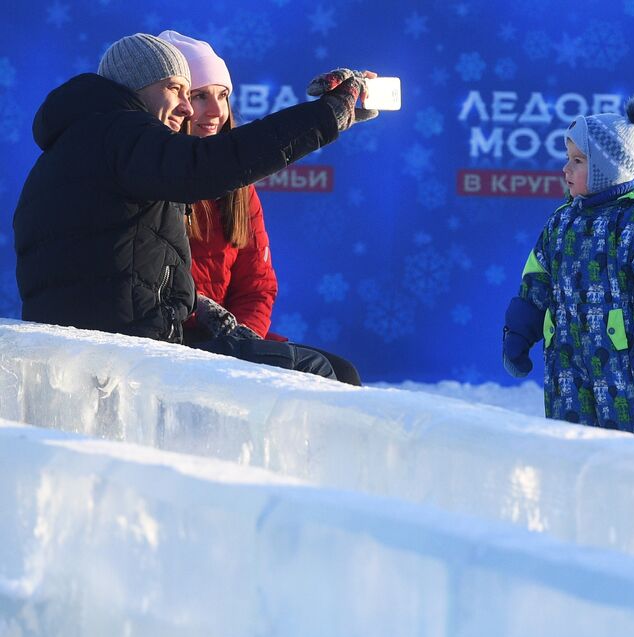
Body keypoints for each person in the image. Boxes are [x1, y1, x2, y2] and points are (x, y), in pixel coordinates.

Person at [12, 32, 374, 381]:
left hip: (126, 338)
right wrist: (328, 115)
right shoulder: (122, 135)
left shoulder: (87, 144)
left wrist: (211, 314)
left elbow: (118, 265)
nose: (189, 109)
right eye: (178, 90)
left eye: (214, 95)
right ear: (138, 85)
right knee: (321, 373)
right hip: (128, 351)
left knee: (335, 370)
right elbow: (209, 166)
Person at [159, 30, 361, 385]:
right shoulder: (157, 175)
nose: (215, 110)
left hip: (232, 337)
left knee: (342, 374)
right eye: (199, 96)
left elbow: (257, 285)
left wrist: (242, 340)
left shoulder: (239, 188)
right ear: (178, 105)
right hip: (177, 340)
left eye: (222, 96)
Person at [501, 95, 634, 438]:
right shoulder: (561, 222)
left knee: (632, 451)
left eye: (578, 160)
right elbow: (536, 283)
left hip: (625, 370)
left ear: (608, 168)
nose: (566, 169)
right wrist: (519, 334)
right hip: (566, 368)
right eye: (567, 158)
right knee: (569, 448)